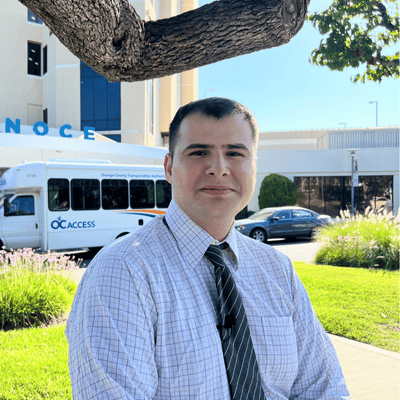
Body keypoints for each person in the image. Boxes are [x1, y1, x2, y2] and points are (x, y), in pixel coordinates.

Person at [66, 97, 350, 399]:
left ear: (253, 167)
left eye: (235, 153)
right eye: (199, 152)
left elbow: (323, 387)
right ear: (169, 167)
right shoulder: (121, 273)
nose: (218, 169)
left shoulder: (278, 270)